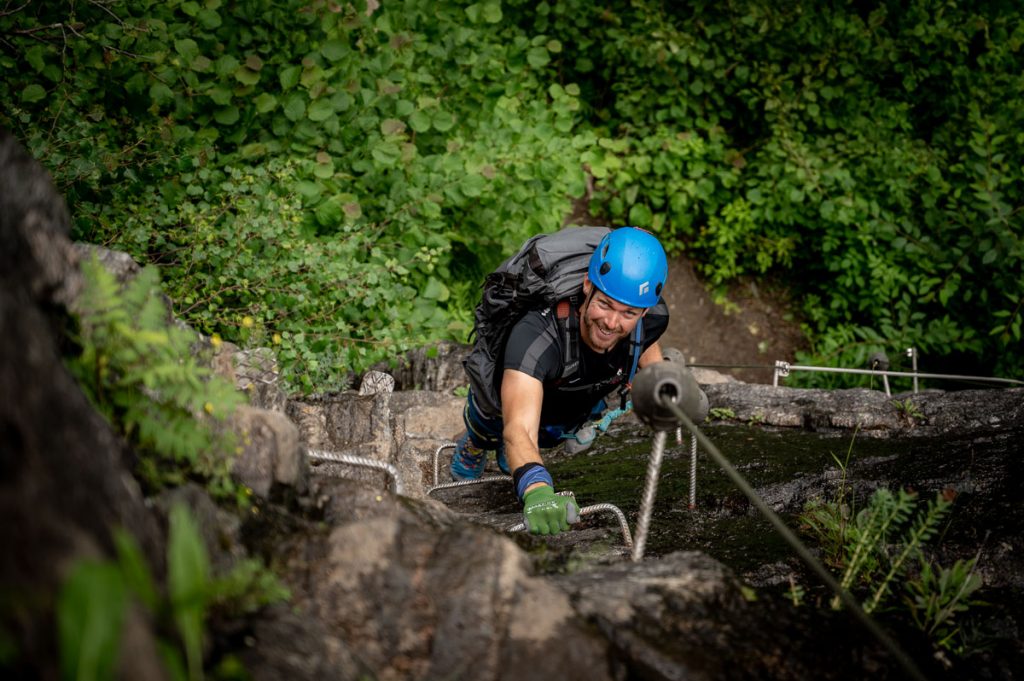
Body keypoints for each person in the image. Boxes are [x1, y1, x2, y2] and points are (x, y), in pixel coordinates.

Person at [452, 227, 670, 535]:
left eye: (628, 313)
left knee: (543, 438)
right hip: (514, 397)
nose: (611, 323)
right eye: (604, 304)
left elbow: (645, 341)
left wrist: (663, 378)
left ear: (644, 311)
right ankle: (474, 445)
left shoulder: (652, 319)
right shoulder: (536, 337)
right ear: (587, 285)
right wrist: (537, 490)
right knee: (491, 422)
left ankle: (516, 451)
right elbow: (519, 428)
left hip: (567, 406)